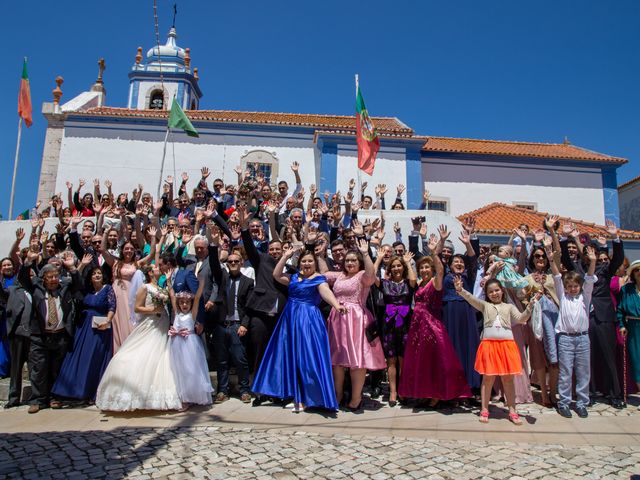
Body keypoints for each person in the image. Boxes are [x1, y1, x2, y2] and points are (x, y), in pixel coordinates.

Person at [252, 248, 345, 413]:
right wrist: (285, 256)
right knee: (291, 357)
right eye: (304, 261)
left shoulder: (319, 279)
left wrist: (336, 305)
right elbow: (276, 274)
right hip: (290, 319)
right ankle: (297, 396)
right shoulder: (294, 277)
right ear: (299, 262)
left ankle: (308, 398)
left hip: (308, 320)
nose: (307, 263)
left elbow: (326, 293)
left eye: (310, 261)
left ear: (315, 263)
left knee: (307, 358)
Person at [399, 230, 472, 407]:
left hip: (432, 325)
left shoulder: (435, 282)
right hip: (418, 326)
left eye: (427, 267)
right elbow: (411, 279)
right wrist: (409, 264)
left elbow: (440, 270)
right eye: (422, 267)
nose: (424, 270)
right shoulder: (419, 283)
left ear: (431, 269)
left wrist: (434, 252)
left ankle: (438, 394)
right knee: (422, 362)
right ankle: (426, 392)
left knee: (437, 361)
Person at [95, 264, 182, 411]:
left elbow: (170, 298)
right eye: (155, 268)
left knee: (161, 354)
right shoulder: (145, 287)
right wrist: (153, 310)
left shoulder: (161, 287)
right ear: (149, 272)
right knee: (146, 350)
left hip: (163, 322)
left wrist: (167, 283)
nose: (158, 269)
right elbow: (137, 307)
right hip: (151, 322)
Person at [455, 277, 539, 425]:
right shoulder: (485, 306)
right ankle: (484, 409)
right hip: (489, 345)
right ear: (487, 294)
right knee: (488, 379)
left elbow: (521, 318)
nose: (494, 293)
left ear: (502, 291)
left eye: (497, 290)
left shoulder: (509, 307)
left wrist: (530, 305)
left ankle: (512, 410)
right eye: (491, 291)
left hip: (507, 345)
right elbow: (471, 299)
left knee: (508, 379)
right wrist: (460, 290)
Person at [323, 238, 386, 411]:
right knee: (336, 361)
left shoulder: (362, 276)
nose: (350, 263)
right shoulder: (339, 275)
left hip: (356, 319)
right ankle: (338, 394)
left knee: (357, 361)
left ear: (359, 263)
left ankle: (356, 398)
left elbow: (371, 275)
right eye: (348, 260)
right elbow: (321, 274)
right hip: (337, 320)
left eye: (353, 260)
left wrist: (365, 253)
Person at [19, 251, 82, 414]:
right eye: (50, 277)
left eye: (56, 276)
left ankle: (55, 397)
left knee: (56, 368)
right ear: (43, 278)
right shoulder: (36, 288)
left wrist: (73, 269)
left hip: (60, 335)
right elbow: (23, 279)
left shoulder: (65, 287)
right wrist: (27, 262)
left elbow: (78, 285)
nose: (54, 280)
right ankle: (38, 400)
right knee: (39, 368)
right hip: (40, 336)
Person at [51, 260, 115, 402]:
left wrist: (108, 321)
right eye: (94, 274)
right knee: (80, 357)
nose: (97, 275)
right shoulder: (87, 291)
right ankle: (73, 390)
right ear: (90, 277)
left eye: (99, 273)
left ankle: (92, 391)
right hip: (84, 327)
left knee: (95, 358)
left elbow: (112, 307)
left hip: (101, 328)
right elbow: (74, 283)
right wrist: (77, 267)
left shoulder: (108, 289)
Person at [547, 243, 597, 418]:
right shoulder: (563, 296)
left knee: (584, 372)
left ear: (580, 286)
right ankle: (564, 402)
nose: (573, 288)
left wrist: (592, 262)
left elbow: (590, 278)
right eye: (570, 286)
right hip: (566, 339)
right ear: (566, 287)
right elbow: (556, 276)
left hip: (583, 338)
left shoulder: (585, 297)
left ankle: (582, 402)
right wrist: (551, 259)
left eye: (576, 285)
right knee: (566, 372)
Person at [209, 238, 254, 404]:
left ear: (241, 263)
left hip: (237, 325)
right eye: (230, 261)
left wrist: (244, 324)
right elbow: (214, 264)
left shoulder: (248, 282)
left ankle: (244, 390)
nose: (233, 263)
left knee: (240, 359)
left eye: (236, 261)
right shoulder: (222, 278)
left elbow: (249, 307)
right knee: (221, 360)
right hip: (222, 325)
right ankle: (223, 390)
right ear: (227, 264)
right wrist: (213, 245)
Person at [101, 227, 157, 353]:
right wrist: (105, 232)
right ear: (122, 250)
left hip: (131, 297)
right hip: (117, 296)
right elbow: (103, 249)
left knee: (130, 323)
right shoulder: (115, 263)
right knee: (116, 322)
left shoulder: (137, 264)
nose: (129, 251)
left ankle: (130, 351)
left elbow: (152, 254)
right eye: (126, 248)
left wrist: (153, 237)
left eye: (131, 249)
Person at [374, 251, 417, 406]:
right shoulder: (385, 284)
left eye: (399, 266)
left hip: (405, 324)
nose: (397, 268)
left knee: (403, 360)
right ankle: (392, 391)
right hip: (389, 324)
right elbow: (372, 277)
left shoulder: (408, 283)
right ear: (390, 269)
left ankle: (402, 389)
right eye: (394, 266)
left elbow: (413, 280)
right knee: (391, 360)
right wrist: (379, 259)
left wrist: (407, 262)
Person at [167, 279, 213, 409]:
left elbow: (197, 298)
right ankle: (183, 398)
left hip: (190, 344)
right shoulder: (176, 314)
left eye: (187, 302)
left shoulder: (192, 315)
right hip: (177, 344)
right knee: (179, 371)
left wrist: (201, 285)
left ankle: (193, 396)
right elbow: (171, 296)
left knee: (191, 370)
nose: (185, 305)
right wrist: (169, 282)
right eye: (182, 302)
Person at [617, 260, 640, 399]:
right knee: (637, 360)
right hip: (633, 327)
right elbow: (620, 309)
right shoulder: (626, 289)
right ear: (632, 273)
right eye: (637, 270)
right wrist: (621, 325)